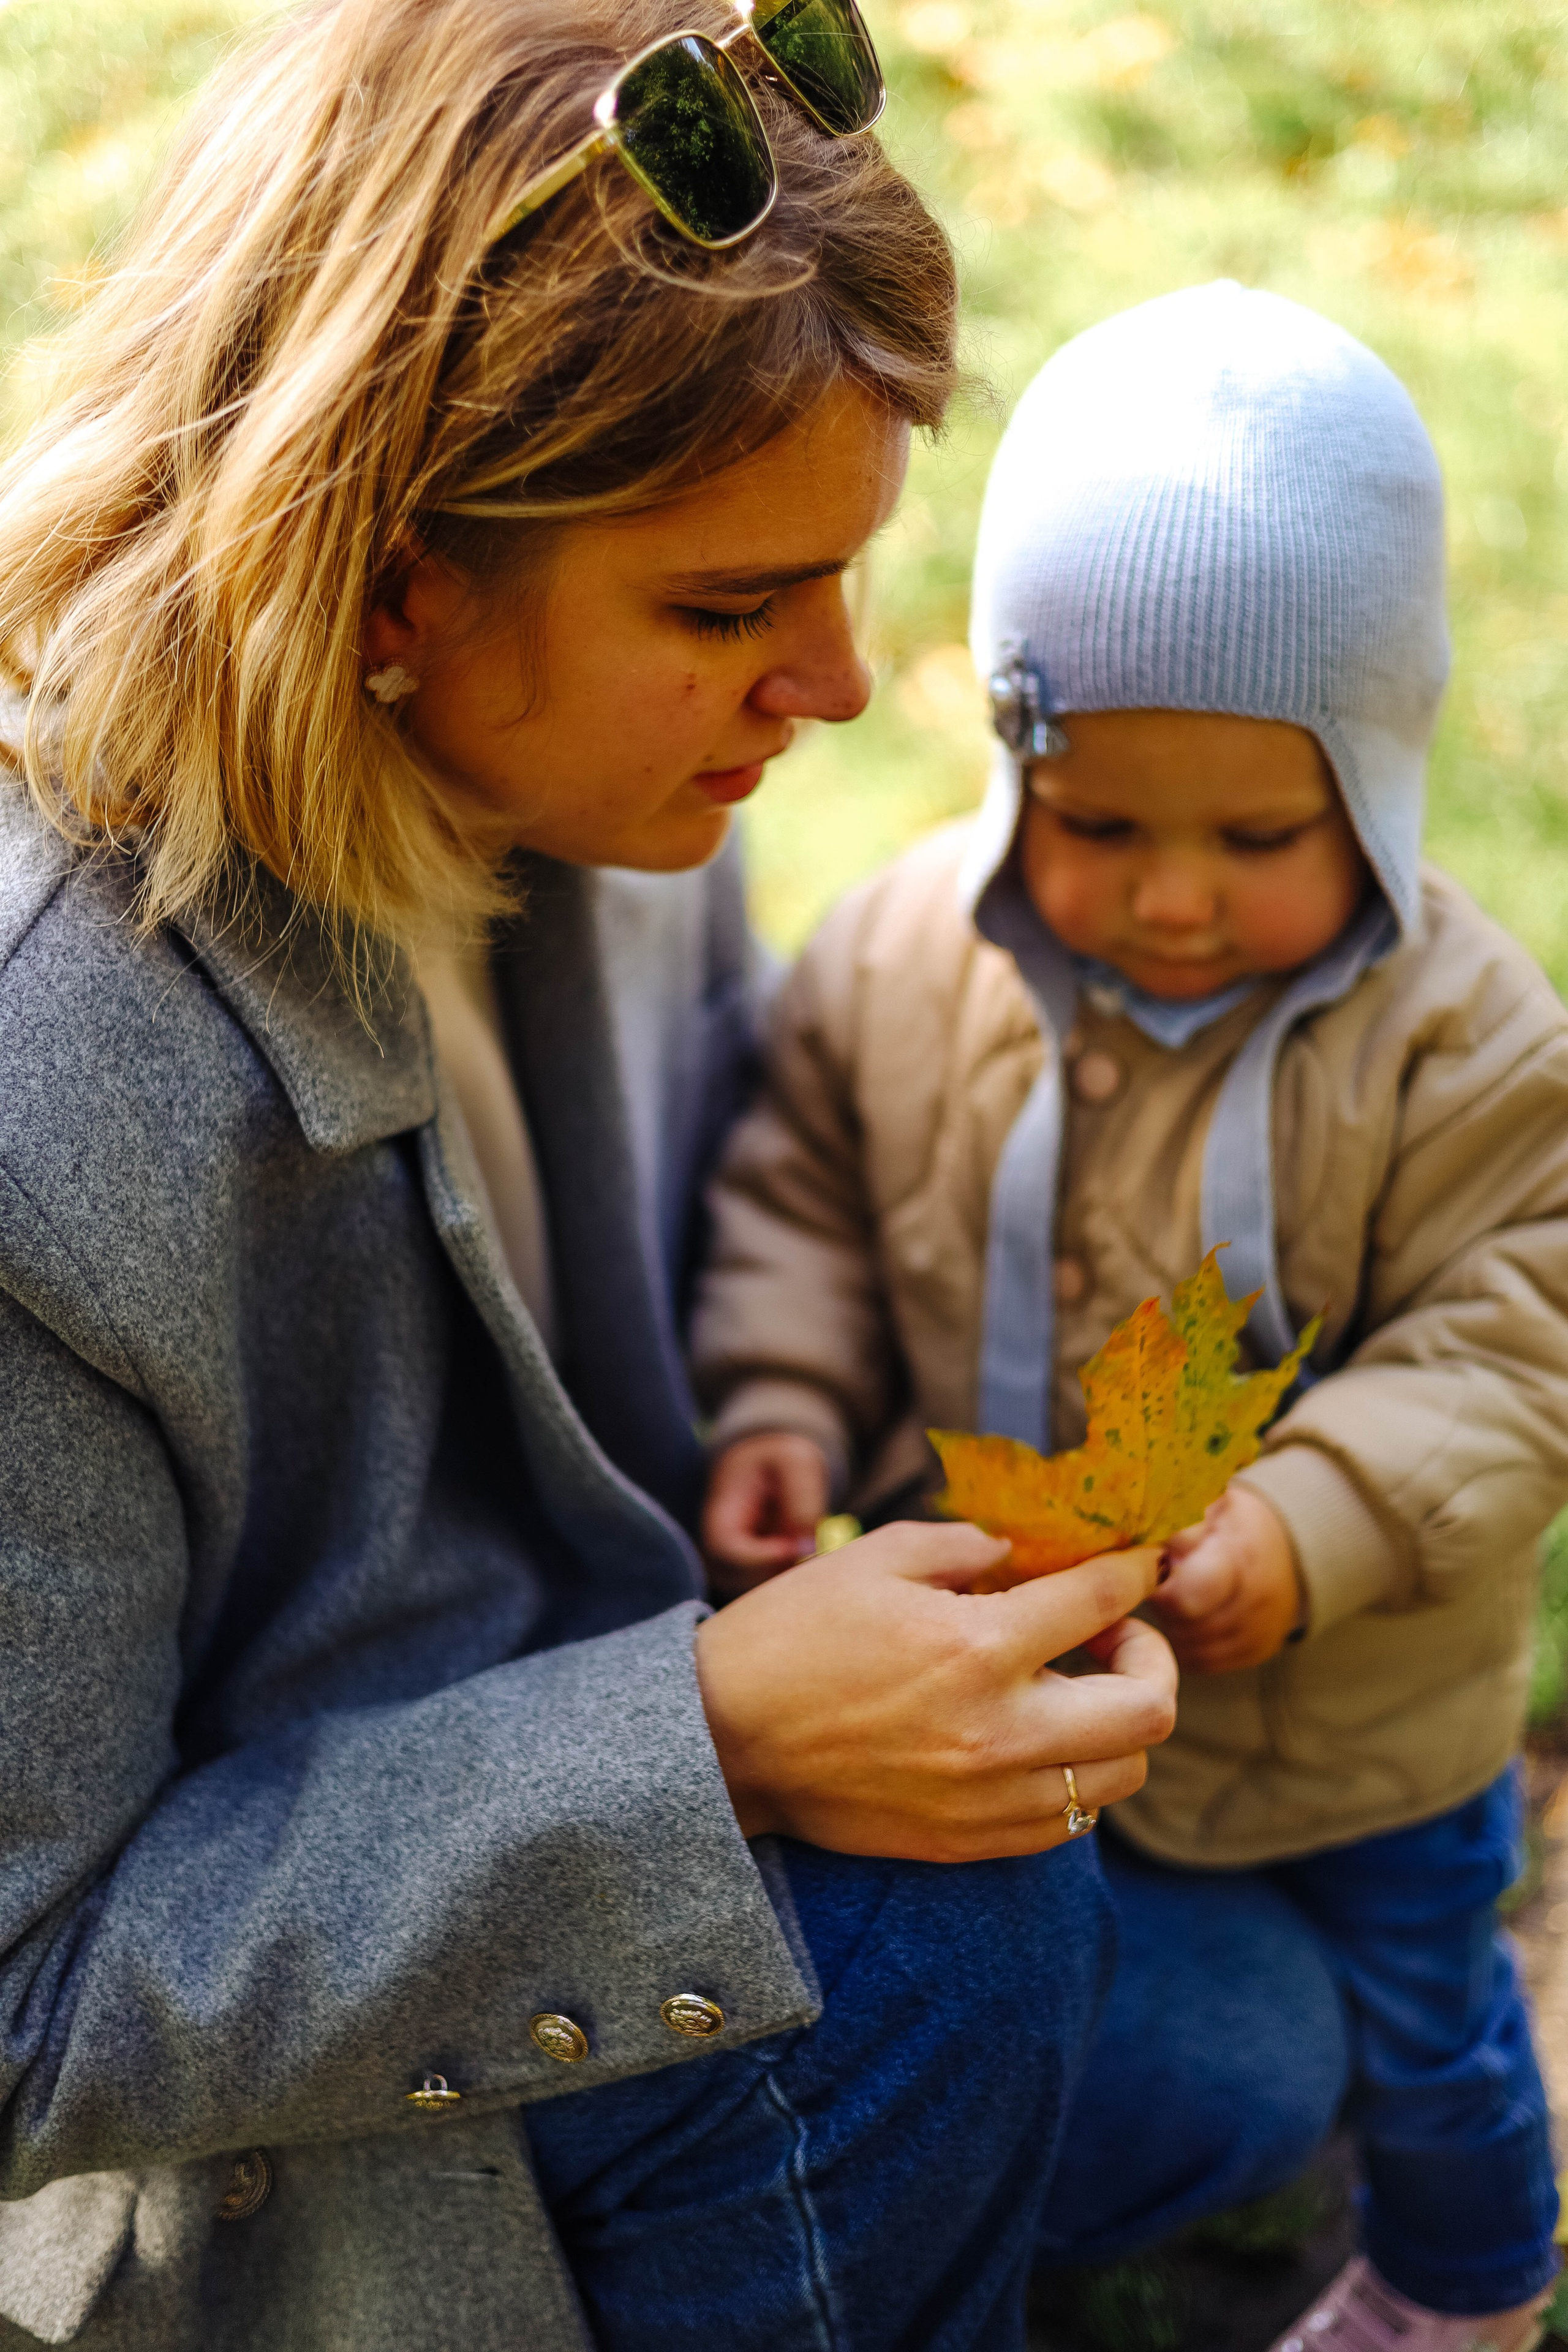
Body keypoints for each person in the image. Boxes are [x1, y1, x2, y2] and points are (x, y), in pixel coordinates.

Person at [0, 6, 1334, 2345]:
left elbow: (742, 1238)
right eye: (728, 608)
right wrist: (710, 1742)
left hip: (558, 1782)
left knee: (1238, 2048)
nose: (834, 685)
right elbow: (29, 2006)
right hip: (253, 2167)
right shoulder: (42, 1094)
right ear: (388, 585)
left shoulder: (594, 798)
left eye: (837, 576)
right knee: (975, 1949)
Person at [695, 282, 1568, 2346]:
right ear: (1015, 767)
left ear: (1374, 779)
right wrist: (779, 1397)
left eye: (1257, 838)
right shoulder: (915, 959)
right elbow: (801, 1190)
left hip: (1362, 1717)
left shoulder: (1464, 1038)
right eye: (1100, 827)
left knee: (1432, 2013)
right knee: (1080, 1961)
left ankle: (1470, 2282)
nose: (1173, 897)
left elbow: (1515, 1335)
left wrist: (1317, 1521)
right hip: (1027, 1666)